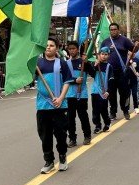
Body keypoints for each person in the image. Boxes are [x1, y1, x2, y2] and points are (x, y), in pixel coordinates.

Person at [34, 38, 73, 174]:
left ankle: (62, 158)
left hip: (59, 106)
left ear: (57, 48)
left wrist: (61, 98)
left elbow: (67, 81)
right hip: (43, 106)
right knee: (45, 135)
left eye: (51, 45)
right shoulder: (37, 64)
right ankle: (49, 161)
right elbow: (29, 79)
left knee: (61, 134)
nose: (48, 47)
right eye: (46, 45)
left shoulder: (61, 63)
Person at [100, 23, 136, 121]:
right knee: (111, 94)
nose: (113, 31)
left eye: (115, 29)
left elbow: (133, 50)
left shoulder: (124, 40)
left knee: (124, 93)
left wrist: (136, 47)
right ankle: (113, 112)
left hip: (123, 72)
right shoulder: (105, 42)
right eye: (111, 29)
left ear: (118, 30)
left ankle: (125, 110)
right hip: (109, 73)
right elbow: (101, 55)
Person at [65, 40, 94, 147]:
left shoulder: (83, 62)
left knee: (83, 116)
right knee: (70, 118)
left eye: (73, 49)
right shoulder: (66, 63)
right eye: (70, 49)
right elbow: (64, 79)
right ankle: (72, 139)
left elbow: (94, 73)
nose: (71, 51)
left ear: (77, 49)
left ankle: (87, 136)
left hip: (82, 95)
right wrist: (74, 81)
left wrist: (87, 63)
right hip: (69, 95)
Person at [91, 47, 112, 134]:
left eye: (106, 54)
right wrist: (95, 65)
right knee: (95, 110)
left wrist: (108, 91)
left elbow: (111, 80)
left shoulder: (109, 66)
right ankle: (97, 125)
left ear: (108, 55)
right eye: (102, 54)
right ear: (99, 55)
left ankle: (107, 123)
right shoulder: (96, 64)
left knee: (103, 109)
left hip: (104, 92)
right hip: (95, 90)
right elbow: (91, 74)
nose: (103, 56)